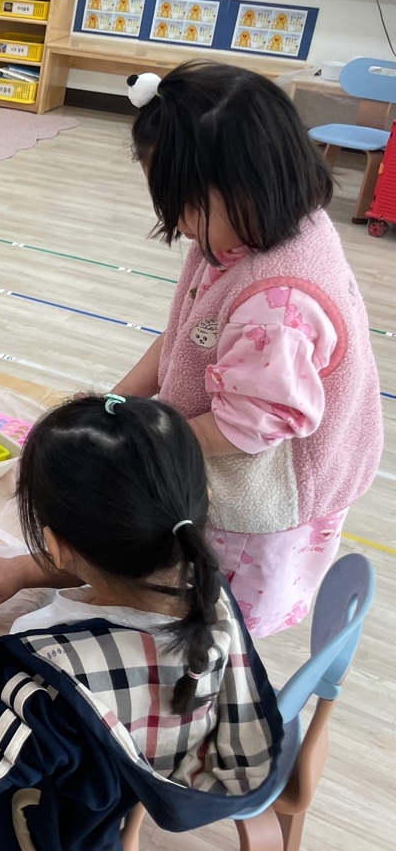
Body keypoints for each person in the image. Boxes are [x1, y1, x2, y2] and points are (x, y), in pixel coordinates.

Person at [0, 395, 287, 851]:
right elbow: (122, 560)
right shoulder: (202, 580)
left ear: (57, 546)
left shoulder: (53, 692)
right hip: (125, 781)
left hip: (44, 828)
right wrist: (25, 570)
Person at [112, 64, 381, 636]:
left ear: (249, 186)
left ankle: (220, 673)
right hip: (233, 449)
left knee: (219, 624)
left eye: (184, 205)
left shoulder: (278, 304)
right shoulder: (251, 229)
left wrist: (148, 439)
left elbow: (244, 428)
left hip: (263, 499)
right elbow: (187, 332)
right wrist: (122, 397)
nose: (178, 224)